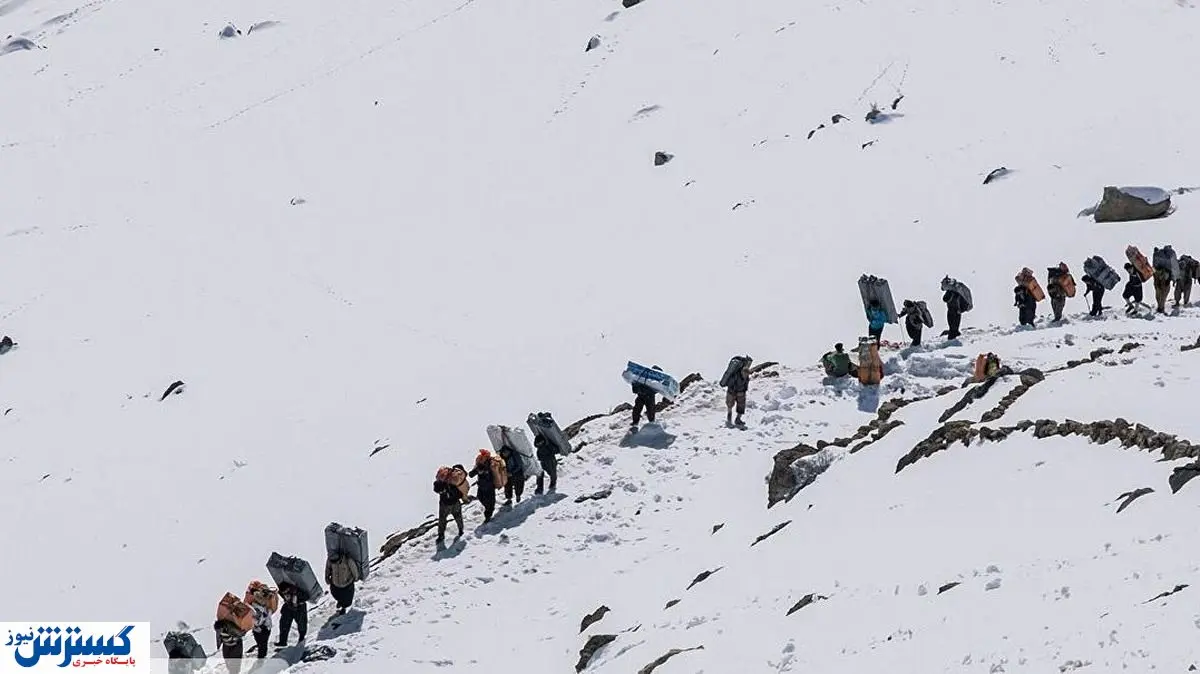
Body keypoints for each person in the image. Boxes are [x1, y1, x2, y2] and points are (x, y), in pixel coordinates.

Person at [433, 464, 468, 544]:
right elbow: (460, 494)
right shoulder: (454, 483)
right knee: (458, 517)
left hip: (444, 505)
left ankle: (441, 535)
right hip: (455, 503)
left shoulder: (440, 483)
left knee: (442, 520)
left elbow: (436, 489)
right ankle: (461, 530)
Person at [244, 582, 276, 660]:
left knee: (263, 643)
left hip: (264, 626)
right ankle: (262, 655)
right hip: (259, 626)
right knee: (261, 642)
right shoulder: (253, 603)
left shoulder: (267, 602)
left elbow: (270, 612)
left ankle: (262, 658)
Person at [325, 551, 361, 616]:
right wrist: (327, 578)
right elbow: (328, 568)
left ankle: (343, 608)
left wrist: (356, 578)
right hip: (335, 583)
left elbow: (354, 569)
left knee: (347, 600)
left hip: (346, 584)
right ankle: (340, 602)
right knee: (335, 594)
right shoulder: (331, 559)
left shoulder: (348, 560)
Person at [468, 449, 499, 523]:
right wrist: (474, 471)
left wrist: (480, 472)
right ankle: (488, 510)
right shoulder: (480, 465)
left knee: (490, 502)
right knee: (481, 498)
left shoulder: (490, 465)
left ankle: (488, 515)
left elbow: (492, 475)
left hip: (489, 487)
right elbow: (471, 474)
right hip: (482, 486)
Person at [274, 582, 309, 648]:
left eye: (285, 592)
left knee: (302, 623)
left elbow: (306, 597)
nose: (284, 593)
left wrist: (297, 600)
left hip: (299, 608)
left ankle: (301, 637)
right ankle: (282, 641)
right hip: (288, 607)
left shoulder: (297, 591)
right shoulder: (282, 592)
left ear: (288, 589)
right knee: (283, 624)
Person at [723, 356, 752, 428]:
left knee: (741, 406)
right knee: (730, 405)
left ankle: (738, 419)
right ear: (742, 372)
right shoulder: (735, 376)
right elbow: (730, 385)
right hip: (732, 392)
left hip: (741, 392)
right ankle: (729, 419)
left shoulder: (746, 378)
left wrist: (743, 392)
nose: (746, 375)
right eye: (745, 374)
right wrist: (736, 392)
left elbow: (746, 386)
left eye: (747, 374)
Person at [630, 367, 661, 431]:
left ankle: (651, 422)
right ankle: (635, 422)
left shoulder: (654, 381)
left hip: (649, 396)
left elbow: (656, 389)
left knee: (650, 410)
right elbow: (635, 386)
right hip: (642, 396)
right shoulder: (643, 377)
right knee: (637, 409)